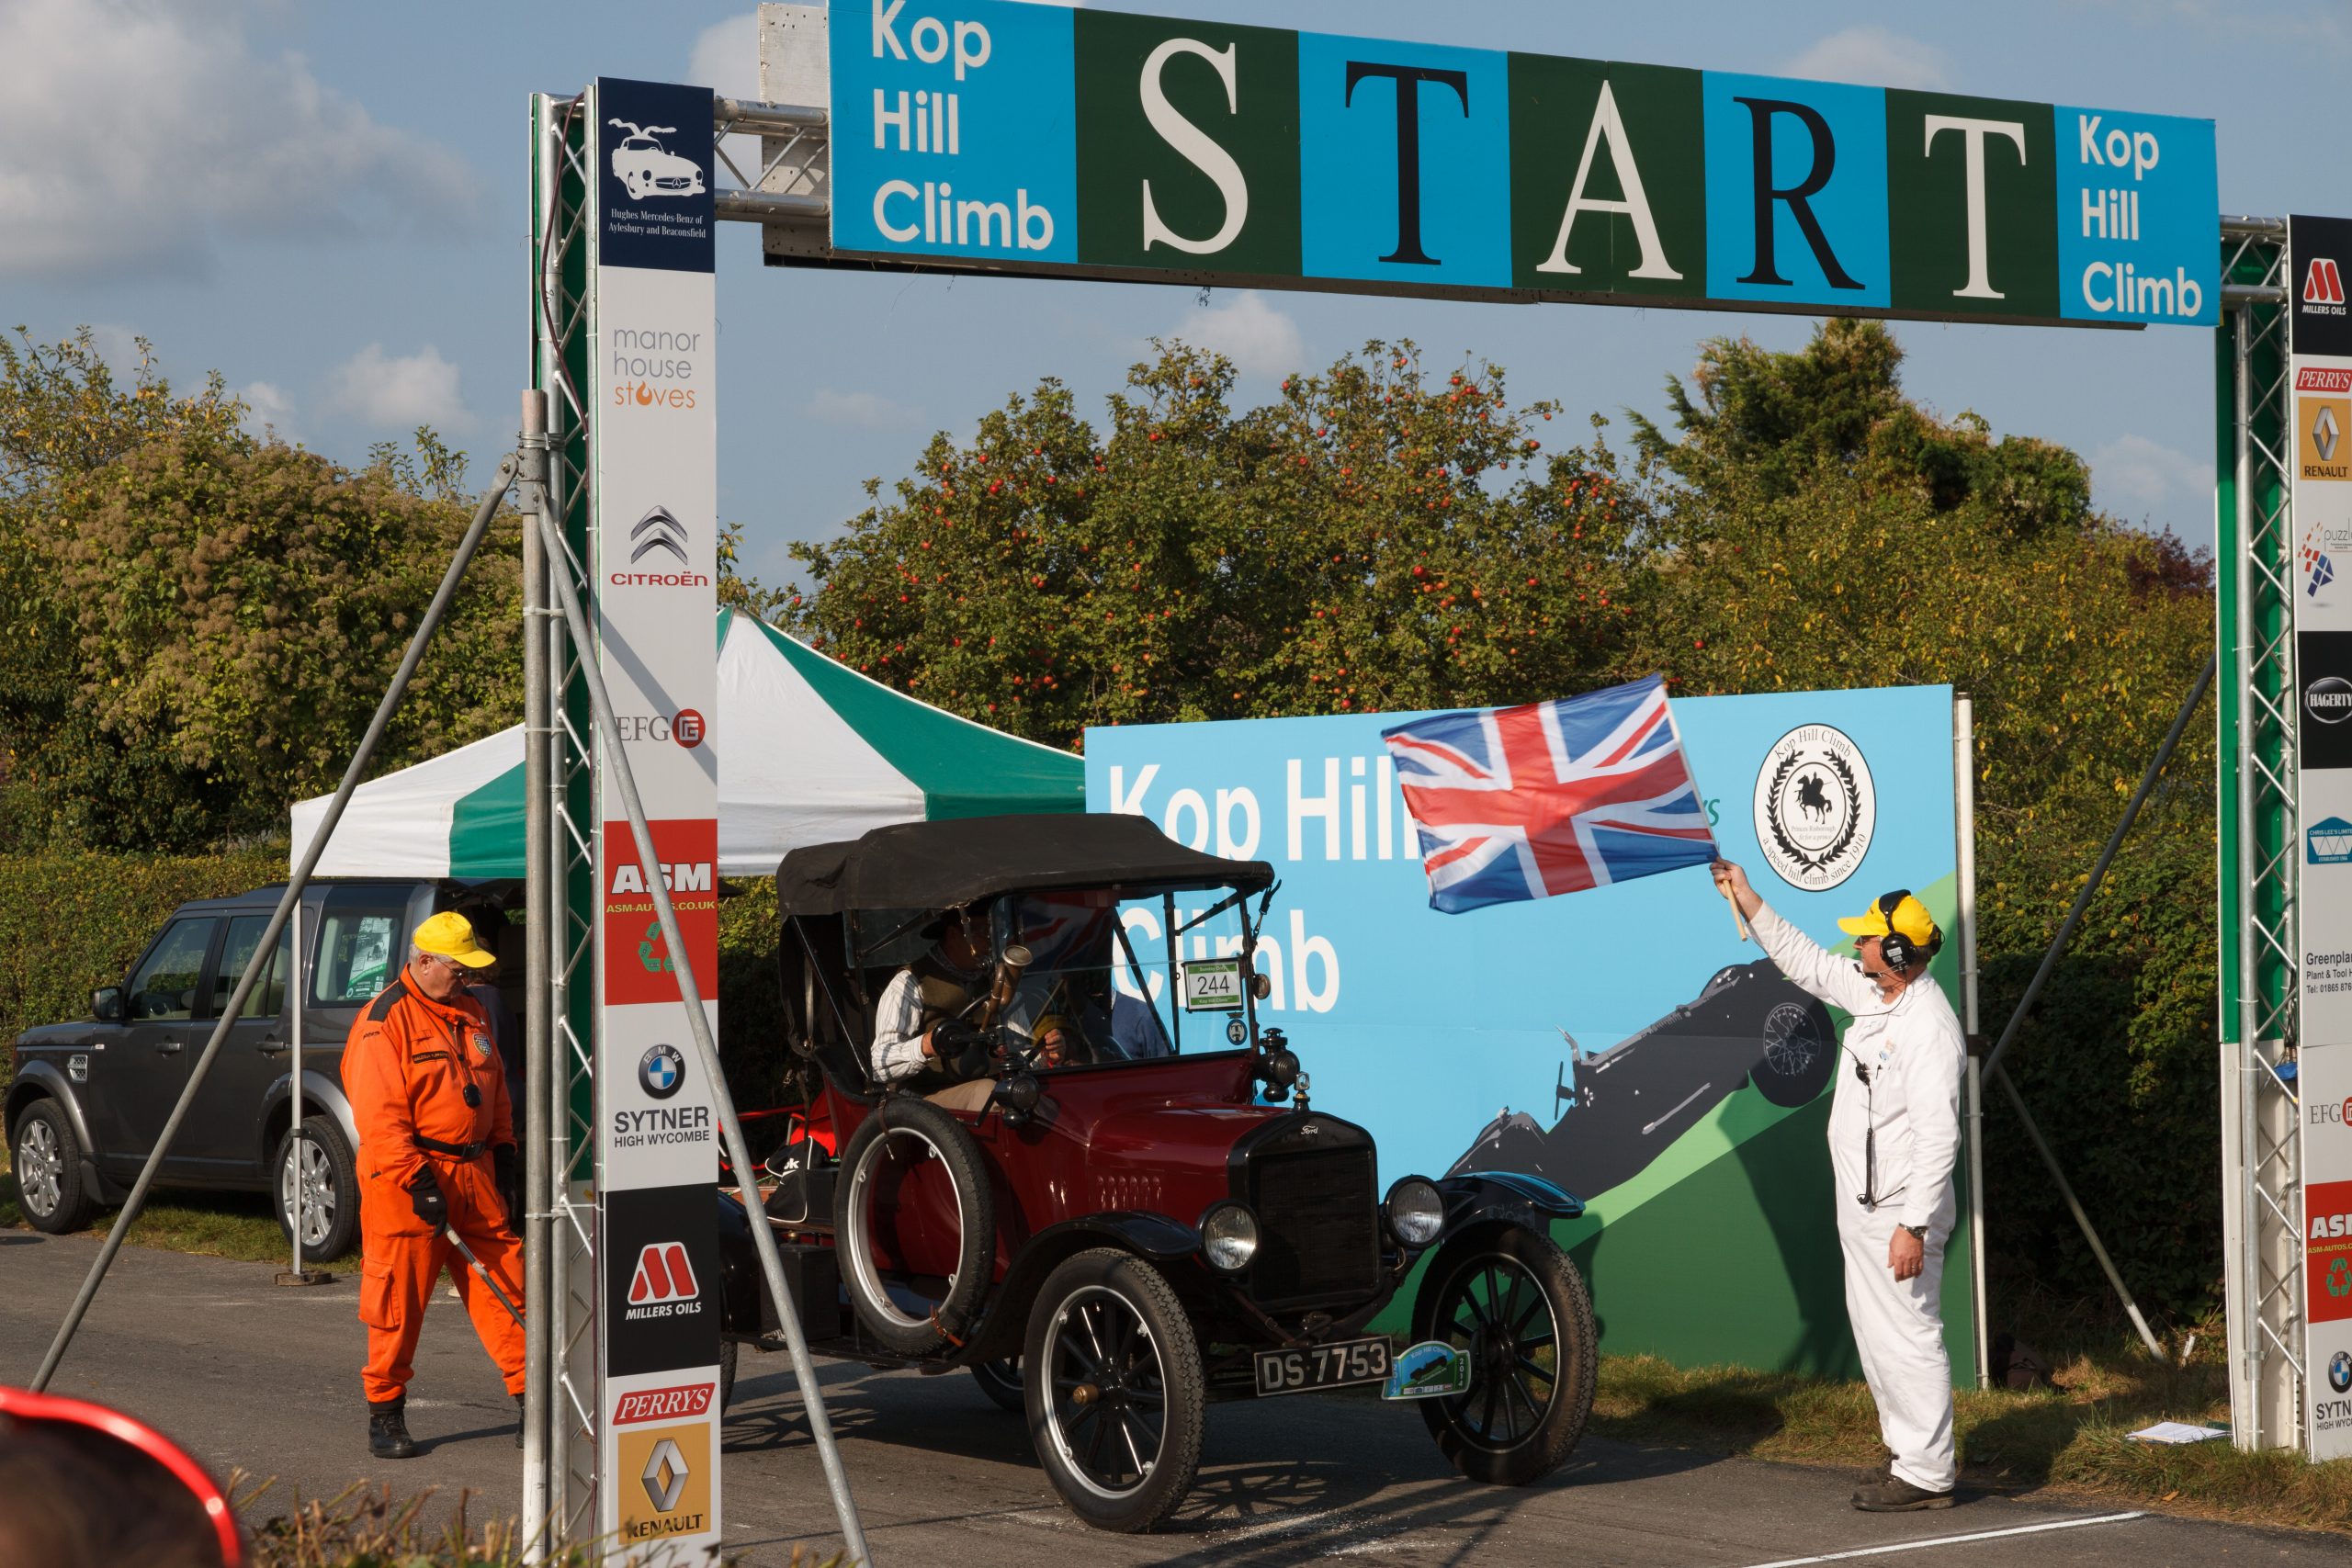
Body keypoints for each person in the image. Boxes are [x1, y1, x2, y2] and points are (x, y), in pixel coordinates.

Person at [1713, 861, 1965, 1513]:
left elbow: (1941, 1139)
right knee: (1881, 1339)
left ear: (1900, 952)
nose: (1856, 945)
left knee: (1908, 1335)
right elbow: (1808, 962)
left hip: (1897, 1217)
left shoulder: (1927, 1029)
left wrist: (1912, 1224)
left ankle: (1929, 1472)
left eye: (1867, 938)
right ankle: (1910, 1456)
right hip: (1867, 1211)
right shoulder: (1878, 993)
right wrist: (1750, 898)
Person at [340, 911, 526, 1460]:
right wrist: (421, 1183)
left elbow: (496, 1095)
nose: (466, 979)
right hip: (406, 1183)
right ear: (423, 962)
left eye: (470, 971)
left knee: (509, 1292)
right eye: (457, 969)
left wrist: (507, 1158)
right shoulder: (382, 1021)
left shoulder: (470, 1012)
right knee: (397, 1302)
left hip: (476, 1175)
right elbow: (379, 1120)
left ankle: (533, 1404)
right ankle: (386, 1413)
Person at [870, 905, 1064, 1111]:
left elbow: (1020, 1050)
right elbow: (879, 1065)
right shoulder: (909, 982)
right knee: (990, 1094)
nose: (992, 941)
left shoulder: (996, 983)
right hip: (925, 1100)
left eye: (996, 932)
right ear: (954, 935)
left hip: (991, 1086)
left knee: (1046, 1097)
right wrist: (926, 1045)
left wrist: (1044, 1055)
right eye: (983, 932)